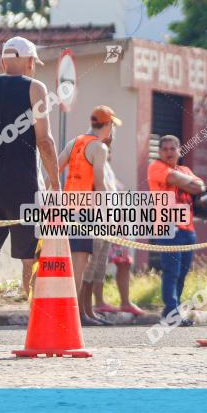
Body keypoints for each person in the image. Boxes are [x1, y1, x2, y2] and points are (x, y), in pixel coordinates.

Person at [0, 36, 62, 349]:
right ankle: (38, 330)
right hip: (24, 189)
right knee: (29, 260)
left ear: (3, 61)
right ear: (31, 61)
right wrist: (55, 183)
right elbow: (45, 142)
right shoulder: (35, 88)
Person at [57, 105, 120, 326]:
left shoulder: (75, 142)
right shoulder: (98, 148)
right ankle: (74, 314)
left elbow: (54, 169)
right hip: (88, 213)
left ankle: (79, 312)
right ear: (108, 125)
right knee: (82, 264)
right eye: (112, 125)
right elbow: (100, 185)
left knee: (82, 265)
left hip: (71, 210)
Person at [147, 135, 205, 326]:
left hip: (188, 229)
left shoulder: (185, 169)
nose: (169, 152)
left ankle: (172, 311)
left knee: (182, 272)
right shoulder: (156, 167)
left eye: (173, 149)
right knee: (171, 272)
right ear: (159, 152)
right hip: (168, 228)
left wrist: (186, 181)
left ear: (180, 150)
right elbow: (178, 180)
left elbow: (200, 187)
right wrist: (188, 183)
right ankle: (172, 312)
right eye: (165, 149)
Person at [91, 144, 144, 317]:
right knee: (99, 264)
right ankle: (98, 301)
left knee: (124, 263)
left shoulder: (109, 173)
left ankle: (125, 302)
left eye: (110, 151)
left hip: (120, 227)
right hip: (103, 226)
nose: (108, 154)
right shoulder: (95, 173)